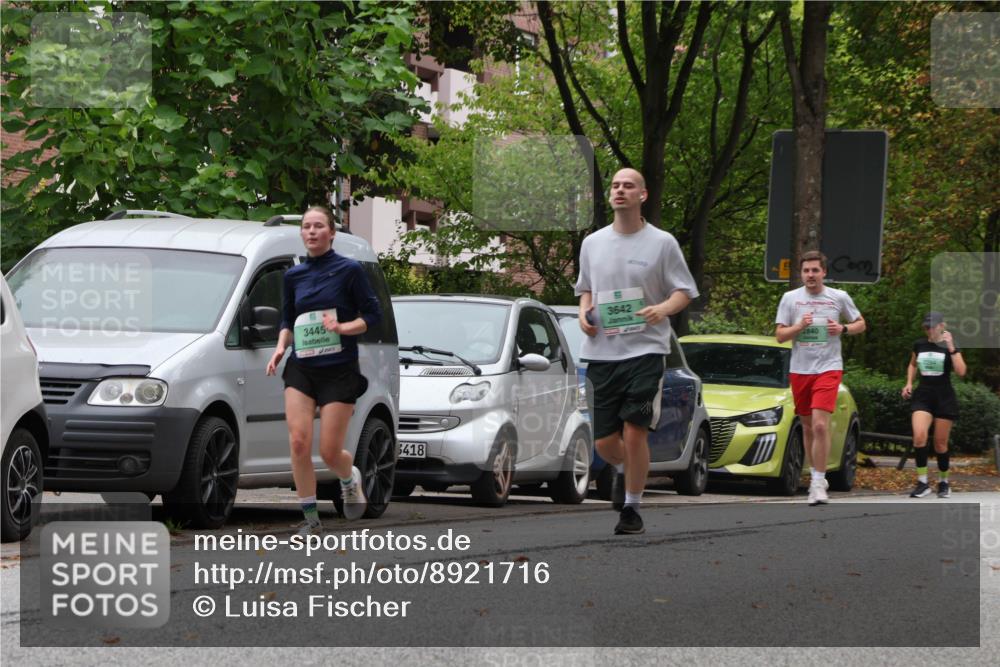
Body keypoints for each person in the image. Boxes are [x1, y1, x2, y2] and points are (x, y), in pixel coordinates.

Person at [575, 168, 699, 535]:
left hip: (646, 350)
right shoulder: (592, 243)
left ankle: (631, 508)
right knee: (603, 441)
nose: (619, 190)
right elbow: (586, 290)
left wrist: (662, 309)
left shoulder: (662, 243)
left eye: (628, 185)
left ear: (642, 195)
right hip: (601, 352)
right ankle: (624, 470)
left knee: (634, 430)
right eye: (615, 185)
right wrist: (584, 315)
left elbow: (684, 292)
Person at [266, 206, 381, 534]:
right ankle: (311, 518)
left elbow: (373, 315)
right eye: (306, 226)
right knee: (299, 442)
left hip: (339, 370)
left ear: (332, 233)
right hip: (302, 368)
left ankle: (349, 477)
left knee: (330, 451)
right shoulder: (293, 275)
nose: (312, 231)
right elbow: (288, 319)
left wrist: (343, 328)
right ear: (301, 233)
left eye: (319, 226)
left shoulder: (350, 271)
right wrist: (279, 348)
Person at [775, 250, 865, 505]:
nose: (810, 275)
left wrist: (843, 328)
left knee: (820, 425)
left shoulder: (839, 297)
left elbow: (861, 323)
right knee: (806, 427)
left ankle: (817, 482)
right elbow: (780, 335)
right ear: (801, 274)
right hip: (800, 369)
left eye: (815, 270)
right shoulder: (790, 299)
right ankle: (817, 475)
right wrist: (799, 327)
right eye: (806, 271)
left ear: (824, 272)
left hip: (828, 367)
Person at [902, 312, 966, 498]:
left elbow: (961, 371)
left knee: (940, 443)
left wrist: (951, 346)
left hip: (944, 396)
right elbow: (913, 365)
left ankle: (943, 482)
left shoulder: (949, 346)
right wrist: (908, 383)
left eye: (933, 326)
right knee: (919, 436)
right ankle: (922, 483)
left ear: (942, 326)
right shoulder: (919, 345)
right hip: (923, 395)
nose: (929, 330)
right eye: (926, 326)